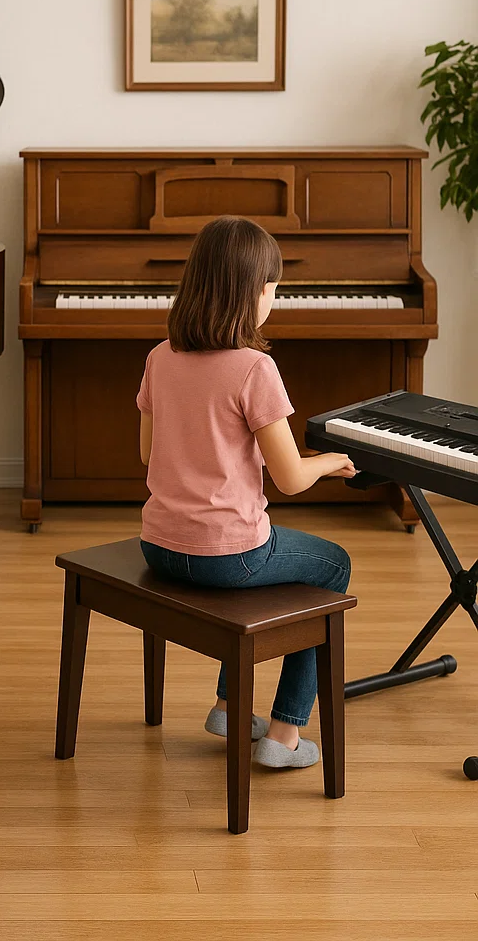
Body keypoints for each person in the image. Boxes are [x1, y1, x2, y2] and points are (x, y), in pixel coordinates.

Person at [136, 215, 353, 769]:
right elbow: (290, 480)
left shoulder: (161, 357)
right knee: (330, 567)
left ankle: (231, 707)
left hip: (159, 546)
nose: (273, 297)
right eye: (272, 286)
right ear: (255, 291)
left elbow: (149, 453)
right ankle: (283, 735)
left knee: (275, 557)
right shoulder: (256, 368)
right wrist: (327, 461)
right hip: (227, 556)